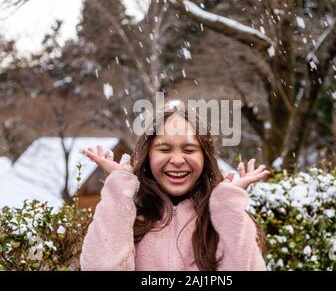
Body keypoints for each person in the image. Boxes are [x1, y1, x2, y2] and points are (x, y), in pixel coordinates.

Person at [80, 106, 269, 271]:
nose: (177, 160)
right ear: (148, 156)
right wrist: (120, 188)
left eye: (189, 150)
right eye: (164, 149)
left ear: (205, 158)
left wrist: (228, 208)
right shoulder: (128, 216)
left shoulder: (223, 216)